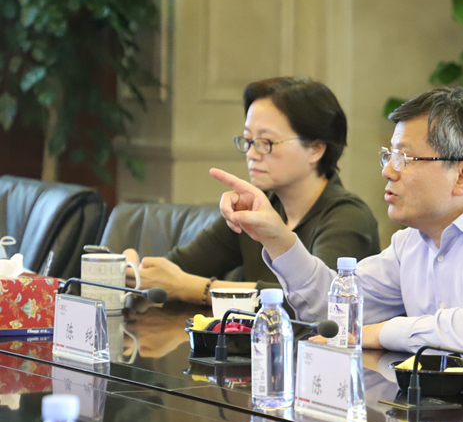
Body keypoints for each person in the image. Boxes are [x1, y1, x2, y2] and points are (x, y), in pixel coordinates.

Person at [210, 86, 463, 356]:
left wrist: (376, 333)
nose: (389, 171)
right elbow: (335, 310)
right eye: (389, 156)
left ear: (462, 176)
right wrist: (276, 237)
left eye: (405, 158)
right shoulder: (414, 241)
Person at [124, 77, 380, 306]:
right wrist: (135, 269)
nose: (251, 154)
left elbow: (316, 301)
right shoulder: (259, 205)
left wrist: (193, 288)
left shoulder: (348, 216)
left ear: (316, 148)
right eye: (248, 141)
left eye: (266, 142)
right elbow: (180, 269)